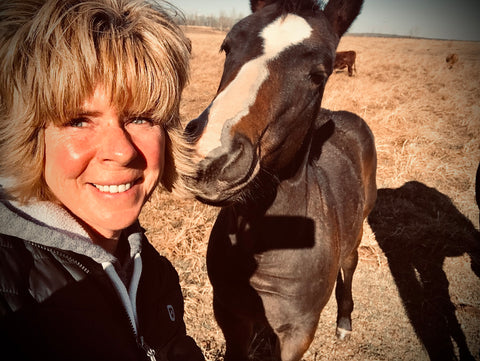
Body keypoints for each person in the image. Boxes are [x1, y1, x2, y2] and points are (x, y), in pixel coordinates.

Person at [0, 0, 204, 360]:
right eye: (79, 119)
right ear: (29, 136)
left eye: (141, 117)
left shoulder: (153, 273)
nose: (122, 151)